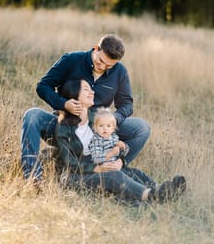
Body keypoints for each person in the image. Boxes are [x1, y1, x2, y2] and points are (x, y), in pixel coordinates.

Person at [21, 34, 150, 181]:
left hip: (97, 132)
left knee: (142, 127)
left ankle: (117, 165)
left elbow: (126, 104)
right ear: (96, 49)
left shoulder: (120, 72)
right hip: (64, 126)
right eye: (100, 61)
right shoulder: (71, 60)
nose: (102, 67)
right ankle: (32, 176)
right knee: (32, 115)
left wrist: (114, 119)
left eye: (109, 66)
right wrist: (63, 104)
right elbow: (43, 86)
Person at [54, 79, 186, 205]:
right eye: (86, 90)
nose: (92, 92)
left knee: (130, 172)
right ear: (74, 96)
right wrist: (96, 168)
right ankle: (152, 196)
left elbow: (111, 141)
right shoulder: (64, 127)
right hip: (77, 175)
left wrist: (119, 159)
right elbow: (69, 161)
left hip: (100, 163)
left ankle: (163, 189)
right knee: (113, 176)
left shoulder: (95, 117)